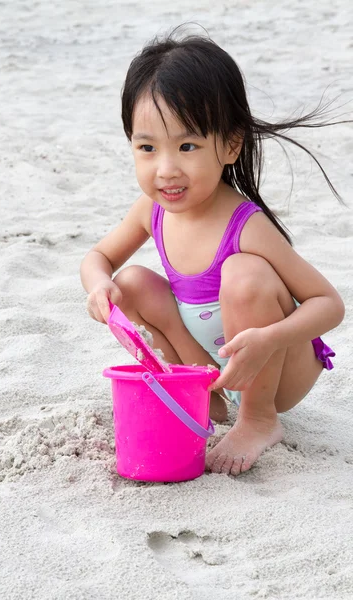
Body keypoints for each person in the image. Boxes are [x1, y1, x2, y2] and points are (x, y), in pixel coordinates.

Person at [80, 28, 346, 476]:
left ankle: (258, 420)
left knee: (245, 275)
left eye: (187, 146)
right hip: (214, 369)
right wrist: (98, 286)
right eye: (147, 148)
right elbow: (98, 258)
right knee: (129, 283)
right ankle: (200, 397)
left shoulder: (246, 225)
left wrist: (270, 339)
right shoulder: (152, 211)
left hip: (275, 369)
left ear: (231, 145)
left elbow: (329, 305)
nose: (166, 170)